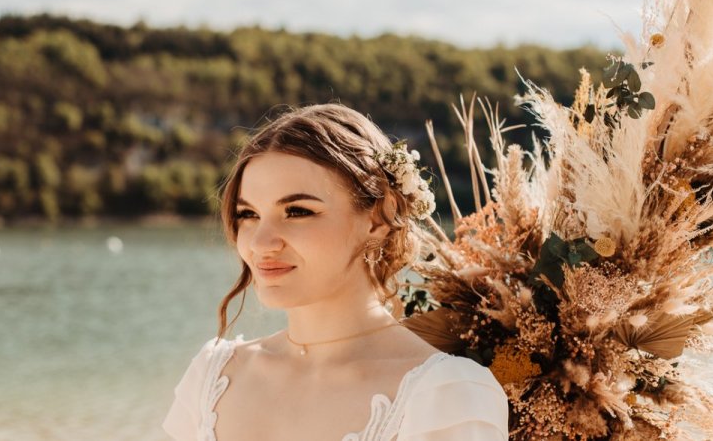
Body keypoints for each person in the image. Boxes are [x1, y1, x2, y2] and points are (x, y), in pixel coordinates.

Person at [162, 103, 508, 441]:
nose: (261, 243)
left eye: (297, 211)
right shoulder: (212, 377)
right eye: (248, 214)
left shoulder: (446, 396)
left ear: (378, 217)